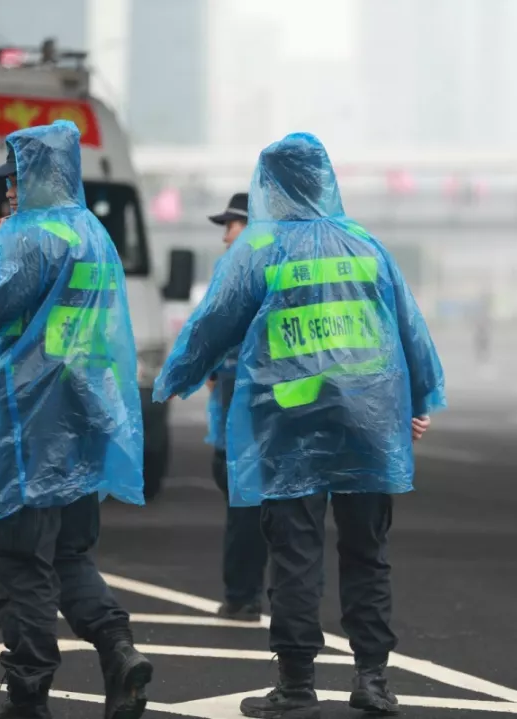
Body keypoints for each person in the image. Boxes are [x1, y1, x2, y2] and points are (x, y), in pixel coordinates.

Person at [153, 132, 445, 719]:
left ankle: (295, 686)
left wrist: (171, 381)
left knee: (295, 553)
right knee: (367, 551)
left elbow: (211, 326)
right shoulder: (365, 245)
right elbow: (409, 328)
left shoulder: (261, 248)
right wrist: (419, 400)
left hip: (290, 425)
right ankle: (372, 679)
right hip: (368, 421)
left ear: (274, 187)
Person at [0, 120, 153, 719]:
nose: (7, 191)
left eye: (13, 178)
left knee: (18, 561)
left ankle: (29, 694)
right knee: (70, 556)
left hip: (30, 422)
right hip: (84, 420)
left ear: (36, 177)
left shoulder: (28, 237)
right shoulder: (93, 233)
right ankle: (119, 650)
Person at [205, 192, 270, 621]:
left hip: (247, 408)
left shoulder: (247, 269)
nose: (226, 236)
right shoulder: (242, 267)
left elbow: (211, 329)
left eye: (232, 225)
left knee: (246, 506)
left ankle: (243, 595)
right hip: (240, 405)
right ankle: (248, 593)